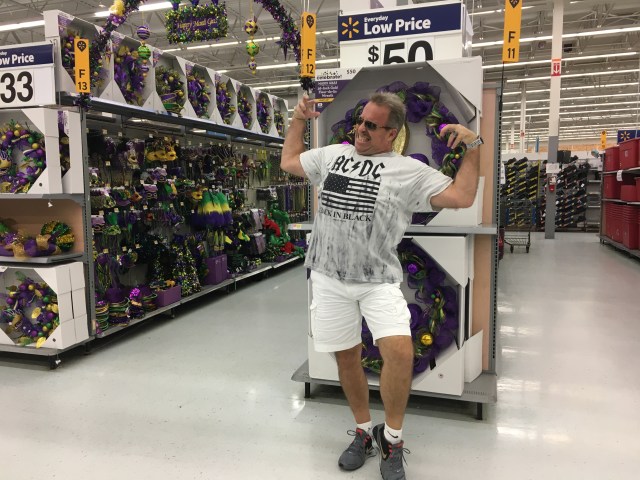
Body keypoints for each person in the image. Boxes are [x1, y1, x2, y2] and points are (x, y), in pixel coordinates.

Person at [281, 92, 482, 480]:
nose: (361, 129)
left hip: (377, 280)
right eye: (360, 121)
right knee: (346, 358)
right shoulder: (332, 156)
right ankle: (362, 431)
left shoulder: (407, 170)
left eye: (371, 125)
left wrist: (473, 146)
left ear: (392, 133)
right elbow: (289, 161)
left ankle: (391, 438)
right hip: (327, 277)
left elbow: (462, 195)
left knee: (400, 353)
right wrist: (298, 120)